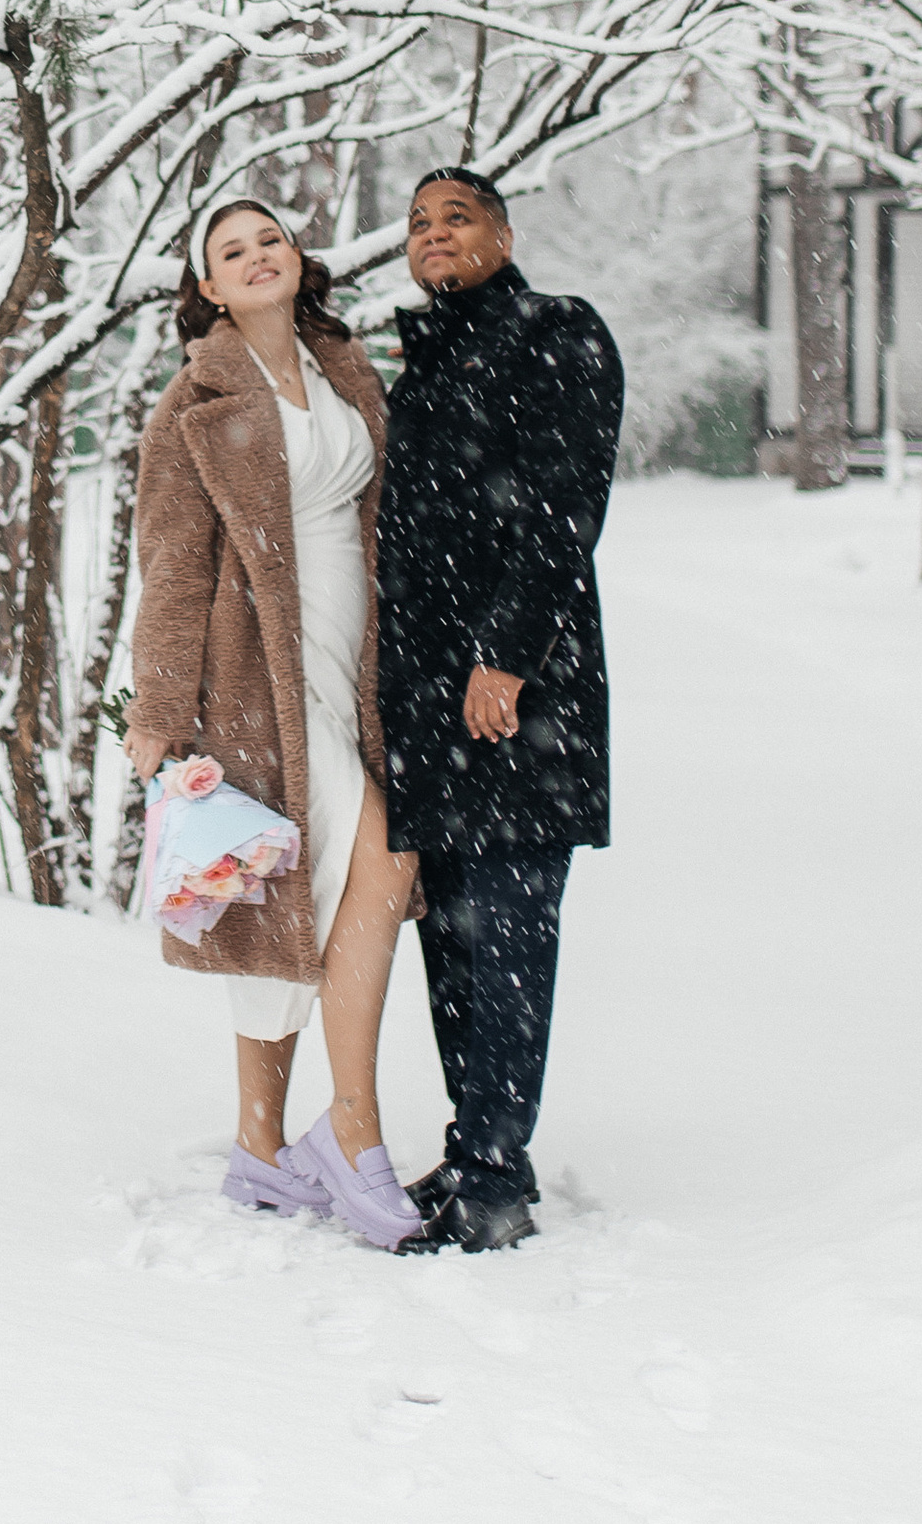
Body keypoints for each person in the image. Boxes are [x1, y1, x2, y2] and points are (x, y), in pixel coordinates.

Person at [122, 197, 425, 1250]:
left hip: (355, 657)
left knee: (302, 897)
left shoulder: (347, 371)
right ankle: (355, 1132)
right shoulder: (191, 407)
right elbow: (169, 563)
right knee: (368, 869)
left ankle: (261, 1152)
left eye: (269, 241)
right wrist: (159, 707)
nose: (256, 259)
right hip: (255, 669)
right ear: (205, 286)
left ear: (299, 261)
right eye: (230, 252)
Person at [378, 167, 624, 1253]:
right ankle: (469, 1147)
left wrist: (506, 657)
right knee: (454, 936)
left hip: (521, 696)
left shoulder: (556, 333)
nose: (435, 236)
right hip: (427, 696)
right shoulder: (419, 360)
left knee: (510, 927)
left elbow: (564, 504)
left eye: (456, 217)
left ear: (504, 232)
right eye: (420, 224)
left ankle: (496, 1177)